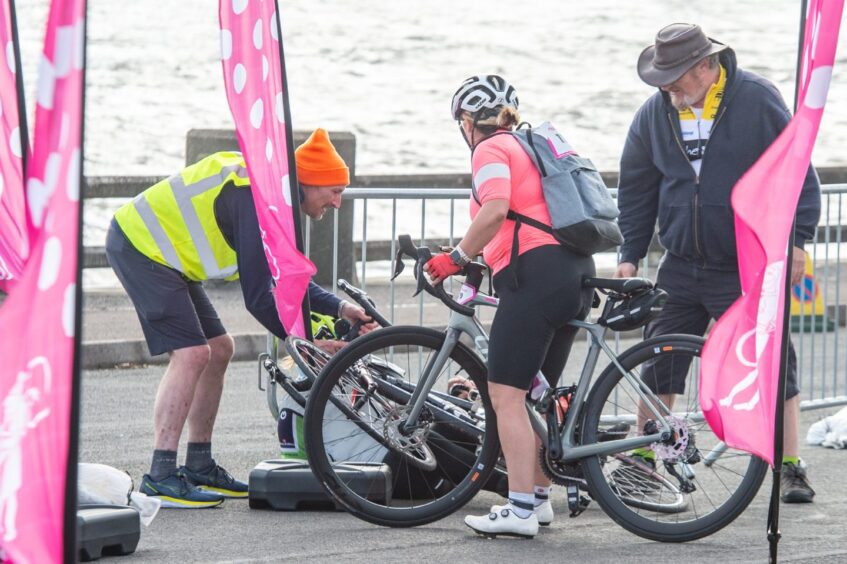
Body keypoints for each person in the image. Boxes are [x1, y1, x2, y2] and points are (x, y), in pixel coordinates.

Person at [105, 128, 376, 508]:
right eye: (335, 191)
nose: (338, 203)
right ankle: (161, 475)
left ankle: (198, 464)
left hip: (169, 259)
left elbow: (285, 281)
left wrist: (340, 307)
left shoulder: (275, 202)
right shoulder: (256, 197)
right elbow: (258, 296)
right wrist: (305, 344)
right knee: (192, 353)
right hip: (141, 247)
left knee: (219, 348)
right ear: (310, 183)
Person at [615, 23, 820, 503]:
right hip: (682, 264)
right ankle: (645, 455)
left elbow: (797, 171)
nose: (668, 88)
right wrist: (630, 254)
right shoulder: (655, 113)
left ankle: (789, 463)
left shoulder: (757, 99)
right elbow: (638, 188)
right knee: (659, 357)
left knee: (770, 362)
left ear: (706, 66)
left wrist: (799, 240)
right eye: (661, 79)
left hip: (745, 263)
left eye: (675, 77)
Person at [425, 75, 596, 538]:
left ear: (466, 121)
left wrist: (456, 257)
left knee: (505, 395)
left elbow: (497, 208)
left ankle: (519, 509)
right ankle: (539, 500)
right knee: (537, 396)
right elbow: (519, 216)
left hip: (536, 276)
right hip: (571, 271)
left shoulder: (490, 149)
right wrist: (475, 262)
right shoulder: (527, 147)